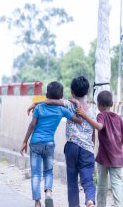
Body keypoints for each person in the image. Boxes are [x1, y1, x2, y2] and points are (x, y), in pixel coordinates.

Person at [28, 76, 97, 207]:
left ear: (72, 91)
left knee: (72, 181)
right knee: (88, 180)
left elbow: (52, 101)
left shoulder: (68, 104)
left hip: (71, 146)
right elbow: (93, 132)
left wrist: (36, 103)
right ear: (87, 91)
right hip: (87, 150)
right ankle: (90, 200)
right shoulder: (93, 112)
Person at [20, 81, 82, 207]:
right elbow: (79, 120)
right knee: (48, 171)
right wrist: (76, 105)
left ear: (47, 93)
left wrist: (24, 141)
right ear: (60, 95)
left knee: (36, 173)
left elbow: (32, 125)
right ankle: (48, 192)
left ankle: (37, 201)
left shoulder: (39, 108)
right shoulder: (62, 110)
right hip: (49, 144)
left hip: (35, 143)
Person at [77, 90, 123, 207]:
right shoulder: (118, 117)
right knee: (117, 185)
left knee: (102, 185)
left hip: (103, 157)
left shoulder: (101, 115)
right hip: (117, 157)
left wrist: (85, 116)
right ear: (111, 103)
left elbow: (99, 126)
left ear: (99, 105)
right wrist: (118, 146)